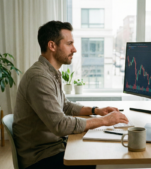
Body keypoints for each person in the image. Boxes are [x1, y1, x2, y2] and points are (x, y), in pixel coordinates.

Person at [13, 20, 129, 169]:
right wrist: (104, 121)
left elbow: (65, 106)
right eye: (69, 44)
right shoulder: (39, 78)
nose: (74, 49)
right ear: (52, 46)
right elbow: (60, 125)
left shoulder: (50, 73)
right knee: (104, 160)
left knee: (99, 150)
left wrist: (96, 111)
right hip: (41, 159)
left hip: (53, 148)